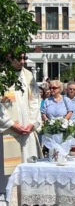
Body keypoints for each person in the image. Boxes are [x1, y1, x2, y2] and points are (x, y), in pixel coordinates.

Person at [0, 53, 43, 194]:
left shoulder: (29, 76)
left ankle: (29, 197)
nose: (23, 62)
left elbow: (35, 100)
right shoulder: (2, 76)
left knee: (28, 167)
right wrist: (11, 123)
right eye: (19, 59)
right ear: (9, 57)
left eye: (24, 58)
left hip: (27, 130)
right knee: (9, 174)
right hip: (10, 130)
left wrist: (31, 122)